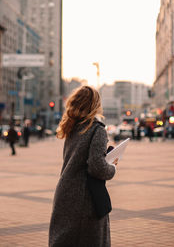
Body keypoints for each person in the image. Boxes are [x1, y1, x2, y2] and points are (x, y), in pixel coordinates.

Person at [49, 85, 118, 247]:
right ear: (95, 104)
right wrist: (112, 166)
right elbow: (97, 167)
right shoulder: (96, 129)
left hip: (65, 194)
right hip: (85, 199)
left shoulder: (72, 127)